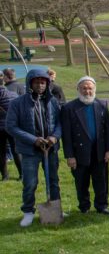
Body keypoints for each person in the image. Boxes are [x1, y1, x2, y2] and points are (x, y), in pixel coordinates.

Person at [6, 69, 62, 227]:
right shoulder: (17, 103)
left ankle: (55, 208)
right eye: (37, 82)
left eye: (43, 82)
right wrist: (34, 140)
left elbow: (59, 123)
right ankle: (28, 211)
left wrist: (54, 137)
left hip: (50, 149)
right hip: (29, 150)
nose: (40, 85)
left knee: (53, 181)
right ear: (30, 83)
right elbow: (11, 126)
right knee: (30, 182)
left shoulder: (52, 102)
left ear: (47, 83)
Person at [61, 76, 109, 214]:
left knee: (101, 180)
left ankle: (102, 205)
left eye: (90, 88)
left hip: (99, 151)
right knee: (81, 182)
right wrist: (69, 156)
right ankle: (84, 206)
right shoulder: (69, 108)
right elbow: (66, 135)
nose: (87, 91)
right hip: (79, 153)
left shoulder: (102, 105)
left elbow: (108, 129)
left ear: (94, 89)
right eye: (84, 88)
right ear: (78, 89)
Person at [0, 78, 18, 180]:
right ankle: (22, 174)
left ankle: (5, 176)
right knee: (16, 151)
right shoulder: (13, 95)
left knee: (1, 153)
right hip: (12, 126)